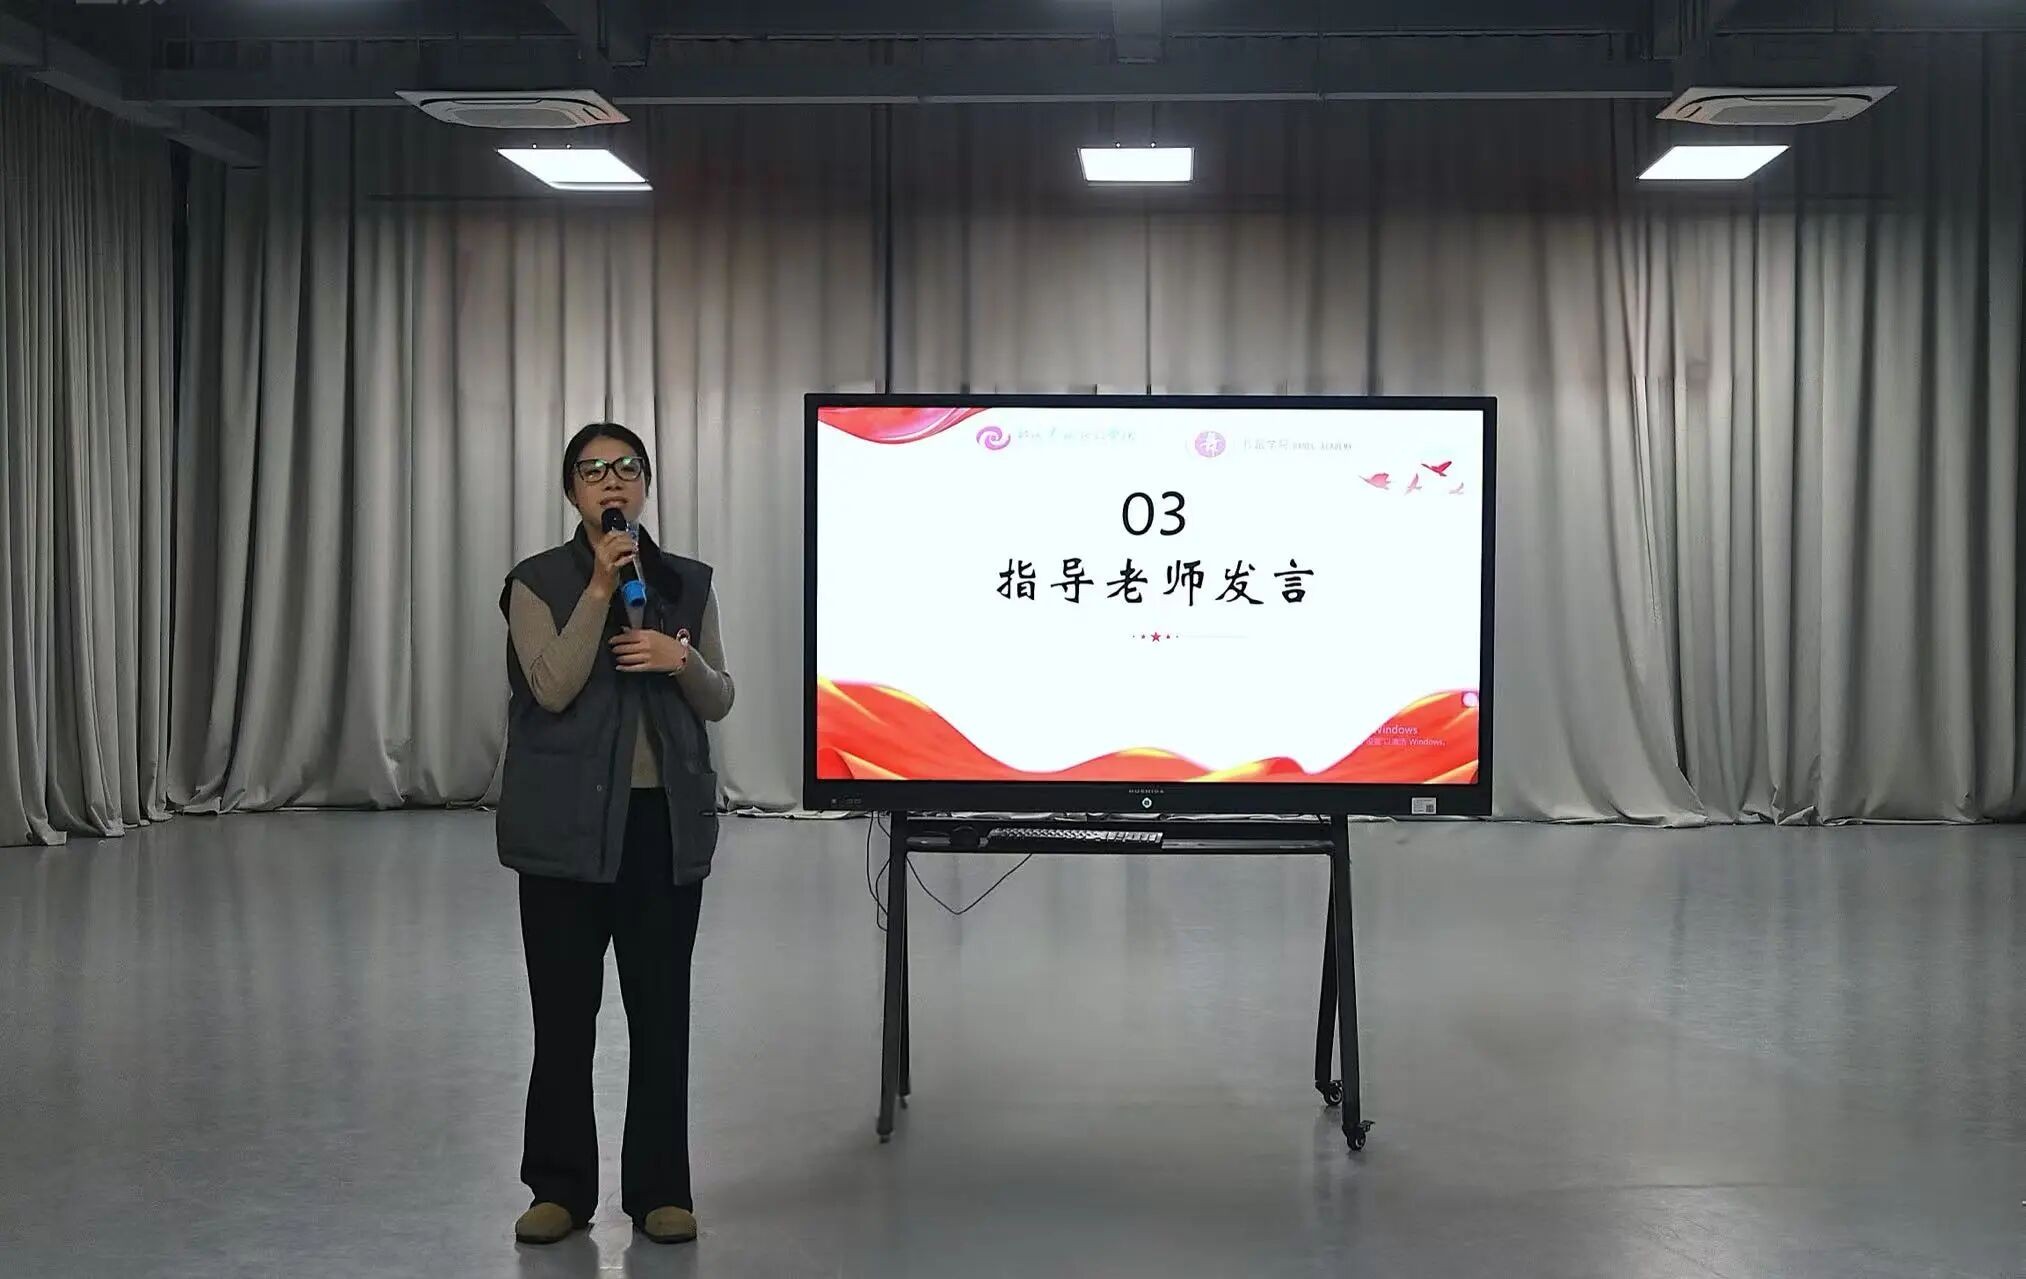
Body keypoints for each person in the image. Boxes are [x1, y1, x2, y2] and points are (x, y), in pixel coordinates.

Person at [496, 423, 736, 1246]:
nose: (611, 480)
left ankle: (661, 1189)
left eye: (627, 467)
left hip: (660, 828)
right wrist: (599, 587)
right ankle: (559, 1189)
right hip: (562, 833)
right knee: (564, 1019)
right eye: (593, 469)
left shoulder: (686, 582)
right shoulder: (535, 582)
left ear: (645, 485)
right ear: (572, 491)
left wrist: (680, 659)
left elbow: (719, 696)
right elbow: (551, 686)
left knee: (662, 1016)